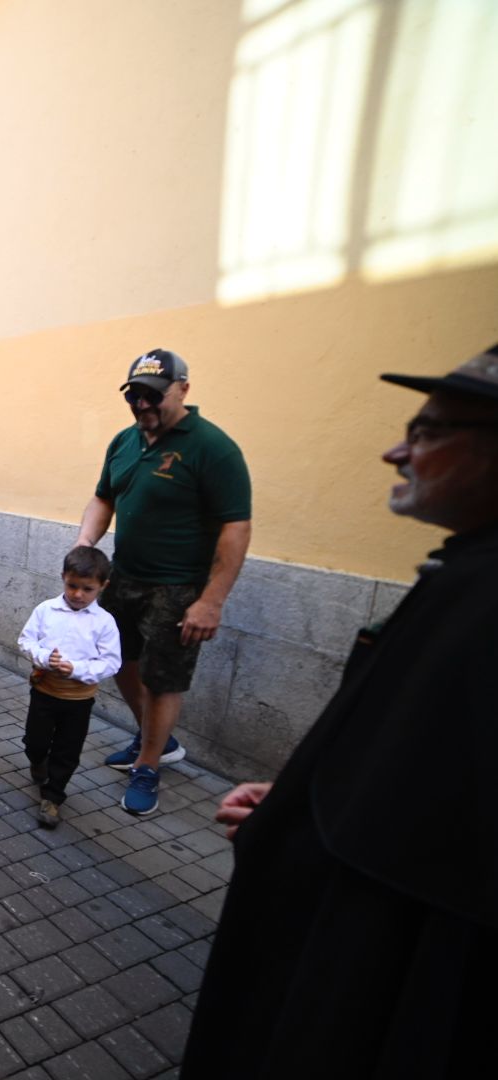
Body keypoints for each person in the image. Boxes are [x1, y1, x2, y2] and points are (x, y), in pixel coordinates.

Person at [180, 342, 498, 1077]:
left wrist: (304, 836)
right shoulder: (465, 571)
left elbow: (445, 840)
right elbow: (405, 759)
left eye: (427, 431)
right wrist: (299, 803)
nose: (396, 451)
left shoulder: (481, 598)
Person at [73, 349, 251, 816]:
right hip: (124, 578)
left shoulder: (213, 448)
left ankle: (148, 765)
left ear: (183, 391)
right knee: (120, 661)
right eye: (135, 395)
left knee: (163, 679)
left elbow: (236, 527)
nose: (143, 405)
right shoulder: (124, 441)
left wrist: (211, 600)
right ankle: (157, 739)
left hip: (178, 588)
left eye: (154, 395)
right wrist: (86, 544)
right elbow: (102, 498)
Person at [15, 546, 122, 829]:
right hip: (44, 692)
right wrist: (44, 657)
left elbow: (111, 663)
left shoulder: (105, 623)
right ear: (63, 577)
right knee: (35, 741)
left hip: (79, 701)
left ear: (102, 586)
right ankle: (37, 761)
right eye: (72, 586)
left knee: (67, 750)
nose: (78, 594)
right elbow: (26, 641)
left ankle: (53, 797)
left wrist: (78, 669)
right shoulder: (46, 610)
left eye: (87, 589)